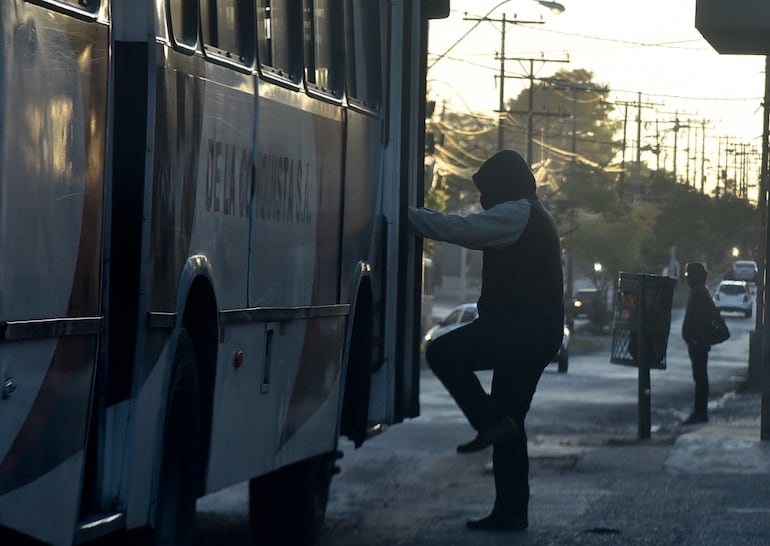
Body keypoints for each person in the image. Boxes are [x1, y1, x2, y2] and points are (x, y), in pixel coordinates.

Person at [408, 149, 563, 532]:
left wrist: (405, 214)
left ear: (504, 184)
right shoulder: (533, 214)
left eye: (487, 189)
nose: (483, 199)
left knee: (442, 350)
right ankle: (511, 511)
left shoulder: (518, 214)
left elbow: (463, 231)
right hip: (535, 332)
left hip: (522, 329)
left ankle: (487, 421)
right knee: (512, 424)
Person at [681, 261, 714, 424]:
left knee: (700, 377)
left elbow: (700, 320)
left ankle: (700, 412)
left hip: (698, 342)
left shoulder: (699, 294)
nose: (687, 279)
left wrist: (694, 338)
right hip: (697, 342)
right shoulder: (699, 292)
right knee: (700, 376)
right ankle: (700, 411)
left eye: (688, 276)